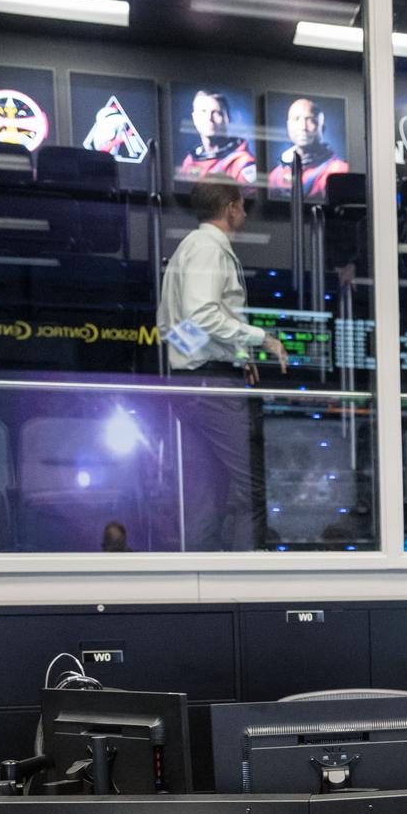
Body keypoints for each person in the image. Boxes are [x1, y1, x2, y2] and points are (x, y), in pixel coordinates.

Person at [158, 179, 286, 551]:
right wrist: (260, 339)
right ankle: (246, 584)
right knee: (253, 490)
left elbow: (171, 326)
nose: (244, 212)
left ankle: (203, 588)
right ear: (230, 207)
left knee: (206, 498)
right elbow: (201, 315)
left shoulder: (189, 247)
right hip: (211, 389)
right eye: (242, 205)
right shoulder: (207, 248)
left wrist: (223, 355)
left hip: (192, 385)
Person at [267, 97, 349, 200]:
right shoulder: (275, 174)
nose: (303, 127)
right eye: (296, 119)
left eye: (311, 120)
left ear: (322, 129)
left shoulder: (339, 170)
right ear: (288, 126)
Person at [175, 89, 256, 188]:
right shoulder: (190, 161)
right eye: (203, 111)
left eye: (216, 113)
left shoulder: (241, 164)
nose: (209, 118)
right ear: (194, 118)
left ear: (227, 119)